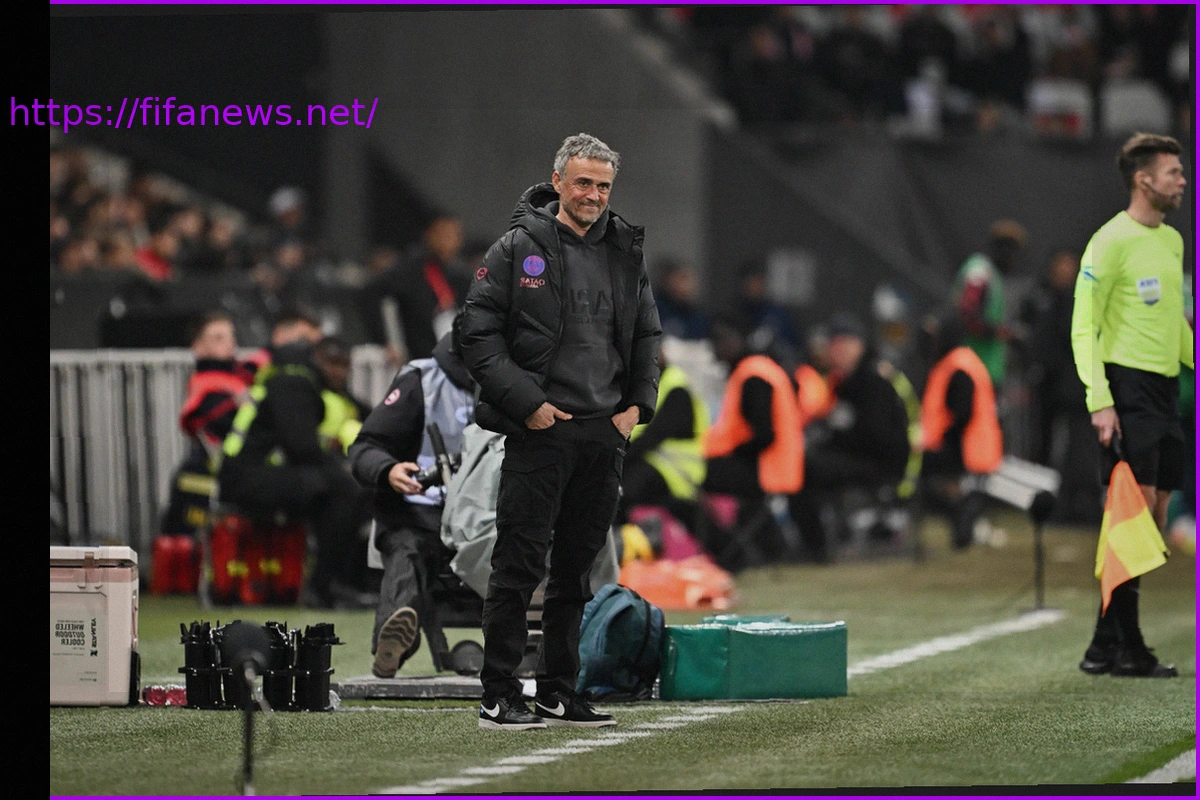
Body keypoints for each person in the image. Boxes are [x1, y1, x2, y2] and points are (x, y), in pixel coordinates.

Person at [459, 133, 661, 730]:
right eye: (583, 183)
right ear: (557, 182)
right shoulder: (516, 247)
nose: (594, 195)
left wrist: (637, 407)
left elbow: (647, 335)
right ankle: (498, 693)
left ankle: (557, 691)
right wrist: (529, 405)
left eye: (603, 185)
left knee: (577, 573)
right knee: (517, 567)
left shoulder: (625, 250)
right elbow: (475, 332)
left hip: (604, 432)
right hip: (541, 430)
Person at [1071, 133, 1191, 679]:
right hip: (1126, 389)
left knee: (1155, 521)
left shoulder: (1173, 241)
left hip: (1164, 393)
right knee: (1133, 519)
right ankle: (1129, 649)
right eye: (1173, 173)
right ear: (1144, 180)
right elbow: (1084, 326)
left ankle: (1103, 645)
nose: (1183, 182)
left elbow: (1175, 323)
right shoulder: (1109, 241)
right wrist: (1100, 400)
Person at [348, 320, 476, 679]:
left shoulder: (523, 384)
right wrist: (388, 470)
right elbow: (365, 448)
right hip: (423, 515)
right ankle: (395, 635)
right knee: (408, 550)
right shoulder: (421, 380)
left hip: (496, 520)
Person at [217, 334, 364, 609]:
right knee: (345, 491)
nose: (339, 372)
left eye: (344, 365)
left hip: (251, 474)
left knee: (339, 487)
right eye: (333, 363)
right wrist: (343, 470)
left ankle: (330, 583)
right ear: (316, 359)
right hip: (249, 478)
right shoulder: (294, 383)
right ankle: (325, 586)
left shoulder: (295, 380)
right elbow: (301, 447)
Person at [789, 313, 910, 562]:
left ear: (858, 345)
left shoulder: (873, 379)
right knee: (800, 465)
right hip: (860, 458)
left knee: (803, 467)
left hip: (880, 464)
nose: (837, 352)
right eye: (834, 346)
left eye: (843, 345)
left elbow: (876, 437)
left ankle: (818, 547)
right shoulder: (844, 381)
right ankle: (819, 541)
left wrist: (836, 437)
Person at [702, 317, 804, 566]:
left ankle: (728, 552)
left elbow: (764, 435)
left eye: (718, 343)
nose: (714, 352)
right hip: (775, 467)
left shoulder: (752, 376)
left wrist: (733, 454)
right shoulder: (758, 369)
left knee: (690, 480)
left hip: (767, 470)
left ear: (734, 341)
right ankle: (749, 550)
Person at [919, 317, 1004, 549]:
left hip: (967, 446)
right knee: (958, 494)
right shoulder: (960, 361)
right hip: (973, 445)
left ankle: (965, 526)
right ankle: (965, 527)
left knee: (939, 489)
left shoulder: (957, 366)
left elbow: (962, 412)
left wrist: (944, 440)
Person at [619, 345, 710, 531]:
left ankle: (621, 542)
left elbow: (653, 437)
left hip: (678, 472)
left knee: (621, 491)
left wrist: (618, 459)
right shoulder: (643, 385)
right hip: (654, 463)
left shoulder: (676, 388)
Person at [363, 214, 467, 364]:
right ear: (429, 235)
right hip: (418, 357)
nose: (448, 241)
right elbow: (370, 292)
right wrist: (384, 341)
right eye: (443, 234)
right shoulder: (410, 268)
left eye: (453, 235)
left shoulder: (459, 274)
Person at [952, 219, 1027, 387]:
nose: (1011, 257)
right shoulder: (980, 270)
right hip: (970, 369)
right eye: (1006, 248)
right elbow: (967, 315)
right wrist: (1002, 333)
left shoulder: (994, 276)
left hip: (986, 370)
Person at [652, 258, 711, 341]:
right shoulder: (652, 310)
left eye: (691, 279)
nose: (688, 285)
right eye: (683, 278)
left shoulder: (697, 317)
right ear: (668, 280)